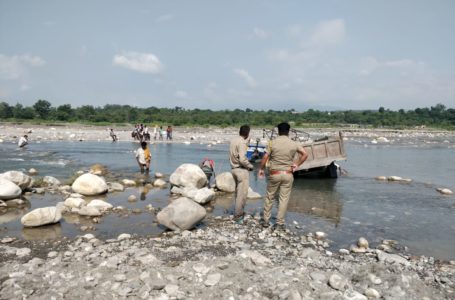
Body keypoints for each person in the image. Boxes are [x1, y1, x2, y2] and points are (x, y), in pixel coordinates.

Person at [258, 122, 308, 230]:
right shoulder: (294, 143)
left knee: (269, 196)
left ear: (278, 131)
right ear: (288, 131)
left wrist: (261, 169)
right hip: (288, 174)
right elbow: (305, 154)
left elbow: (265, 157)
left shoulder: (272, 143)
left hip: (274, 174)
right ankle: (279, 223)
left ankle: (266, 220)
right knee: (283, 199)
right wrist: (297, 165)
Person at [229, 125, 254, 224]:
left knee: (237, 193)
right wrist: (250, 166)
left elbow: (238, 150)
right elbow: (243, 159)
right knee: (242, 195)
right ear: (247, 133)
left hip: (234, 169)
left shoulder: (233, 140)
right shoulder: (242, 142)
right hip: (241, 170)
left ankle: (237, 212)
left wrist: (247, 140)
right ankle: (238, 216)